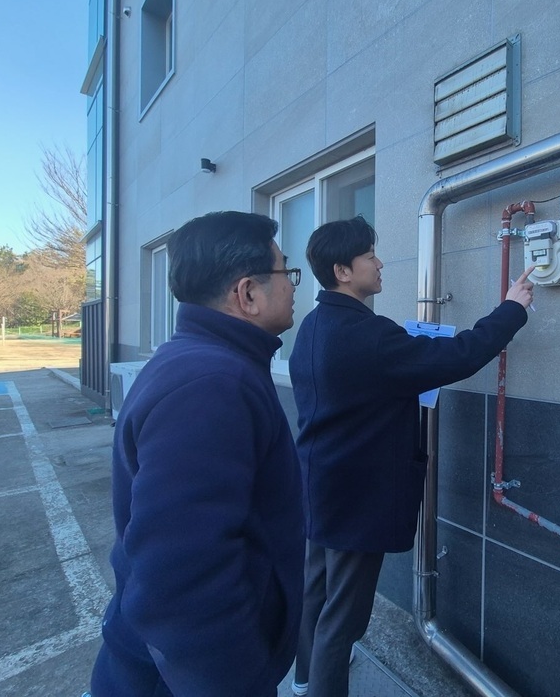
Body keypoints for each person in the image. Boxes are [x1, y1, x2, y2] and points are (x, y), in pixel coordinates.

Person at [288, 216, 535, 696]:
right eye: (369, 256)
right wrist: (510, 310)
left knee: (317, 594)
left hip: (321, 489)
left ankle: (303, 680)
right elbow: (457, 356)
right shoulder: (370, 335)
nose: (380, 263)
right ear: (342, 270)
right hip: (357, 500)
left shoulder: (314, 326)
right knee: (344, 619)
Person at [90, 211, 306, 697]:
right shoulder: (211, 384)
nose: (295, 286)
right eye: (286, 273)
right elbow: (181, 579)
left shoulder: (205, 361)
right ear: (247, 294)